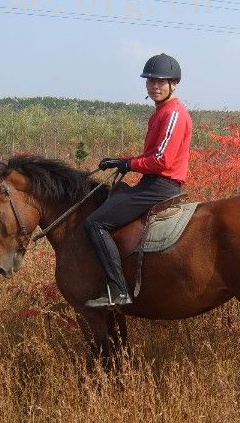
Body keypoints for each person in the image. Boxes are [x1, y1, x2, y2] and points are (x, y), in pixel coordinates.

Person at [84, 53, 193, 308]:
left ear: (173, 84)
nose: (154, 86)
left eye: (160, 82)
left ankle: (118, 290)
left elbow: (162, 160)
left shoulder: (174, 114)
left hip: (160, 186)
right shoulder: (160, 113)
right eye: (150, 81)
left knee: (95, 223)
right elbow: (150, 156)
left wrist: (129, 164)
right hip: (151, 182)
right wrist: (120, 161)